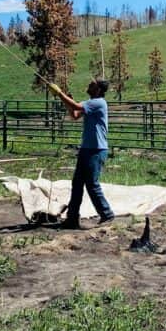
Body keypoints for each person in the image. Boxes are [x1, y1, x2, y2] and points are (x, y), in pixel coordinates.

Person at [48, 79, 117, 229]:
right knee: (78, 183)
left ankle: (107, 214)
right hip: (87, 148)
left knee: (92, 183)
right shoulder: (92, 103)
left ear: (98, 89)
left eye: (92, 84)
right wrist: (67, 100)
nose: (89, 85)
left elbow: (76, 106)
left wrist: (60, 94)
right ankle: (72, 218)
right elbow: (74, 114)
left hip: (96, 149)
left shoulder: (98, 102)